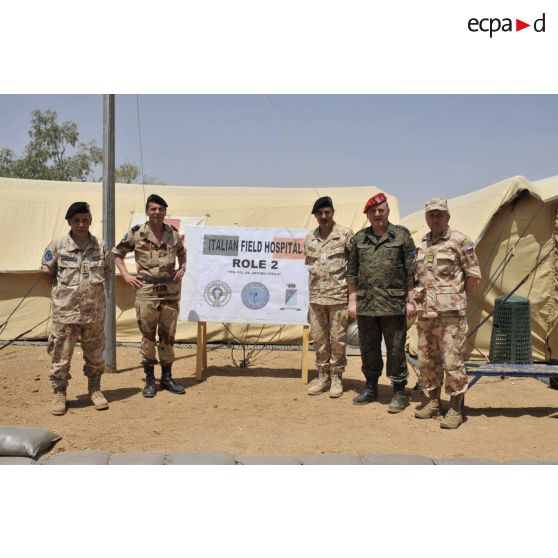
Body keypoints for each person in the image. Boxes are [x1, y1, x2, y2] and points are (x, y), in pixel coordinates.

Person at [414, 198, 481, 429]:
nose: (435, 218)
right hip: (426, 314)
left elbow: (473, 275)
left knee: (453, 362)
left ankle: (455, 408)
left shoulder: (461, 241)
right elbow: (418, 277)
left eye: (439, 214)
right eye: (431, 214)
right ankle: (433, 401)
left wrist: (458, 301)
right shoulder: (422, 244)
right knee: (427, 360)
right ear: (426, 217)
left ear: (448, 217)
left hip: (450, 315)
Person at [347, 192, 416, 413]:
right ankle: (370, 387)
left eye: (381, 210)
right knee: (369, 348)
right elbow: (351, 273)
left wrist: (411, 300)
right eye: (373, 211)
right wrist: (352, 301)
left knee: (396, 348)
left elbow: (411, 272)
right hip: (367, 303)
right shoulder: (359, 239)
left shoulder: (402, 236)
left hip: (393, 303)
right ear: (367, 214)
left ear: (387, 211)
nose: (378, 214)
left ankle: (398, 391)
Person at [112, 194, 186, 397]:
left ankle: (168, 378)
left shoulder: (172, 233)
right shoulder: (137, 233)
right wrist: (126, 275)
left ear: (165, 212)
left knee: (168, 336)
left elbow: (182, 252)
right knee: (147, 337)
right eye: (153, 209)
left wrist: (183, 267)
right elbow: (116, 253)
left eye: (161, 209)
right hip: (146, 292)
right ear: (147, 211)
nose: (157, 212)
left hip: (170, 292)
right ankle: (150, 380)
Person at [41, 202, 111, 415]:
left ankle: (95, 390)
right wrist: (62, 295)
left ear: (90, 221)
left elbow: (106, 271)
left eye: (85, 220)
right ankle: (59, 393)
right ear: (69, 222)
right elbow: (46, 272)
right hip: (66, 312)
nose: (81, 224)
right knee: (61, 356)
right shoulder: (58, 245)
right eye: (76, 220)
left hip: (94, 313)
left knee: (95, 356)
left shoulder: (100, 246)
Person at [304, 196, 354, 398]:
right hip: (316, 298)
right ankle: (322, 376)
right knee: (319, 339)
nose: (324, 216)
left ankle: (336, 377)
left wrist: (353, 298)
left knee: (338, 340)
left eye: (327, 212)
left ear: (333, 213)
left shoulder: (345, 235)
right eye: (320, 213)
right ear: (315, 216)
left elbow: (354, 266)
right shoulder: (310, 238)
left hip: (338, 298)